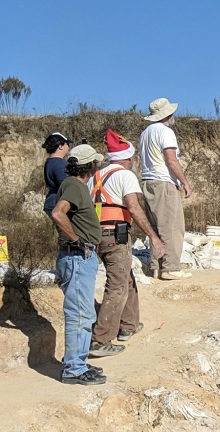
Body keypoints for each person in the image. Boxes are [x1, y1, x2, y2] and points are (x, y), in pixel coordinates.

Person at [88, 129, 167, 357]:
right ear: (127, 158)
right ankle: (101, 339)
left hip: (97, 236)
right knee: (117, 286)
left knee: (125, 277)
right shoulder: (126, 176)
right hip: (116, 235)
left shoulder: (95, 177)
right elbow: (133, 207)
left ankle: (128, 325)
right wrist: (153, 236)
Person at [50, 144, 105, 385]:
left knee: (83, 312)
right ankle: (73, 369)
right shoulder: (74, 185)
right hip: (76, 257)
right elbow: (58, 213)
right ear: (89, 166)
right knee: (80, 314)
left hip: (78, 257)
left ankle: (77, 361)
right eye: (95, 162)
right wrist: (77, 241)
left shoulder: (76, 185)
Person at [139, 98, 193, 280]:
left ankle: (156, 266)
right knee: (172, 226)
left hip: (146, 181)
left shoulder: (145, 133)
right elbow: (171, 159)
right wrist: (184, 181)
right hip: (163, 182)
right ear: (168, 114)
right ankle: (170, 268)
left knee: (154, 227)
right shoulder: (166, 132)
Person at [42, 132, 72, 219]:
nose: (68, 147)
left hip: (51, 202)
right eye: (67, 144)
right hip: (59, 205)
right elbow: (66, 186)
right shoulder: (59, 164)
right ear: (60, 146)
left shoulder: (49, 162)